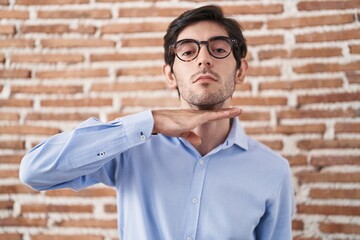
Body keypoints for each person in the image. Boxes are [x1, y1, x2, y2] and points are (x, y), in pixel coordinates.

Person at [20, 5, 294, 240]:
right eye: (188, 52)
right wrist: (149, 123)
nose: (204, 59)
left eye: (219, 49)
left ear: (241, 69)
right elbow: (35, 171)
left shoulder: (273, 170)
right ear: (170, 75)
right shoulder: (133, 148)